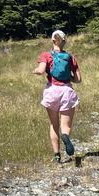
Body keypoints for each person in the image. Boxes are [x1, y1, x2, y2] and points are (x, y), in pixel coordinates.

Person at [33, 29, 82, 163]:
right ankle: (65, 135)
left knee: (53, 124)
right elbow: (78, 79)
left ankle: (56, 155)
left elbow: (41, 71)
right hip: (66, 91)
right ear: (64, 41)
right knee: (65, 125)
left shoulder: (46, 55)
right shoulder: (70, 57)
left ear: (52, 40)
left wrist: (36, 70)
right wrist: (69, 78)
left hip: (51, 91)